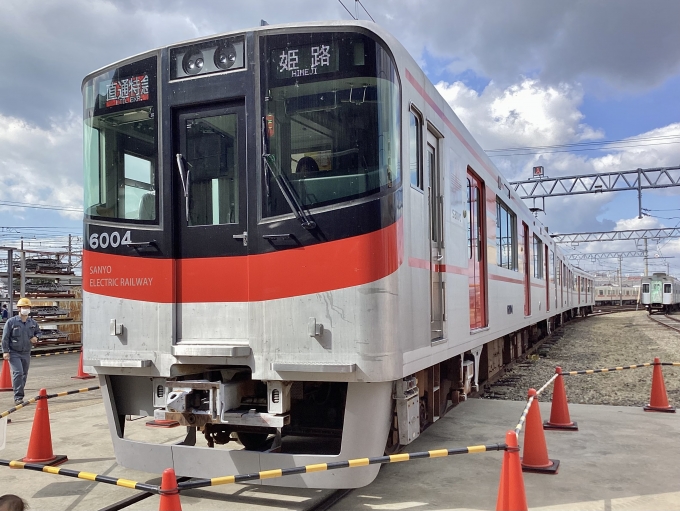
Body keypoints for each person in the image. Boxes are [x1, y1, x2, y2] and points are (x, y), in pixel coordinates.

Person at [1, 298, 40, 405]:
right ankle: (18, 397)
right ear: (18, 308)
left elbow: (38, 332)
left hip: (26, 352)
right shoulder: (11, 322)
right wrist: (5, 351)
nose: (26, 309)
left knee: (24, 374)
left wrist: (36, 337)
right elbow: (5, 338)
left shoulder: (32, 323)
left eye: (28, 307)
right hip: (14, 352)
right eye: (24, 307)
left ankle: (20, 394)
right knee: (18, 373)